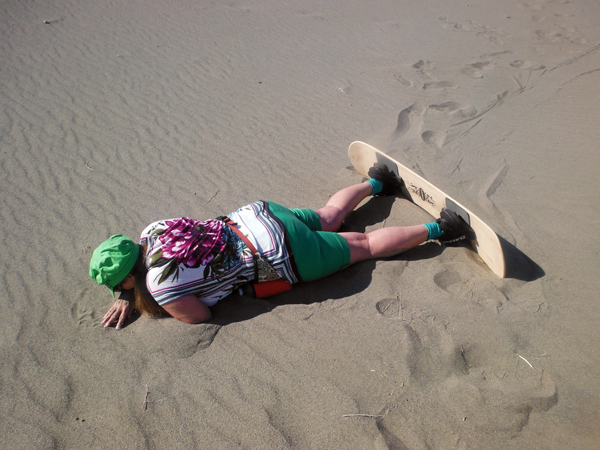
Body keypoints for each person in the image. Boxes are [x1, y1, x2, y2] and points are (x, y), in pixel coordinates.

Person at [89, 164, 472, 329]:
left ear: (127, 280)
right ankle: (379, 182)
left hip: (277, 255)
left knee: (365, 244)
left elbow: (198, 317)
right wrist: (128, 288)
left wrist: (139, 295)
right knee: (327, 214)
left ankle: (443, 226)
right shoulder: (151, 230)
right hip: (256, 216)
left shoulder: (161, 287)